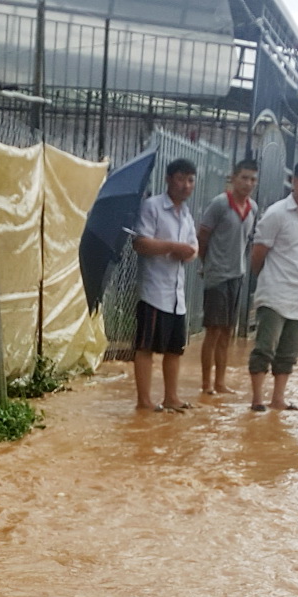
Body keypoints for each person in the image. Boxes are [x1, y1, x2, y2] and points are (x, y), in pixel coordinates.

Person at [248, 159, 298, 412]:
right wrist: (265, 279)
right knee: (265, 347)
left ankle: (278, 398)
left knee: (290, 351)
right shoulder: (277, 213)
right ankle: (257, 399)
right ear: (295, 181)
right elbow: (258, 253)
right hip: (275, 292)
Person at [130, 158, 198, 412]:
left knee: (174, 350)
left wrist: (188, 253)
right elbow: (140, 242)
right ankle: (144, 400)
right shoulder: (153, 207)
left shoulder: (187, 215)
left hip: (177, 294)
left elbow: (193, 249)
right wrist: (171, 247)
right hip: (154, 291)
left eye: (190, 180)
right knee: (146, 346)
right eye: (181, 179)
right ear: (169, 179)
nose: (185, 185)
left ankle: (171, 397)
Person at [196, 159, 259, 395]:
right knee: (213, 330)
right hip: (217, 275)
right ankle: (206, 384)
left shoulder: (252, 208)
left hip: (237, 274)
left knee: (228, 331)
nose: (248, 183)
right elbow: (202, 236)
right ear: (233, 178)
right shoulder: (220, 204)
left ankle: (220, 383)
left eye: (253, 179)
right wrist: (207, 264)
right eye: (244, 177)